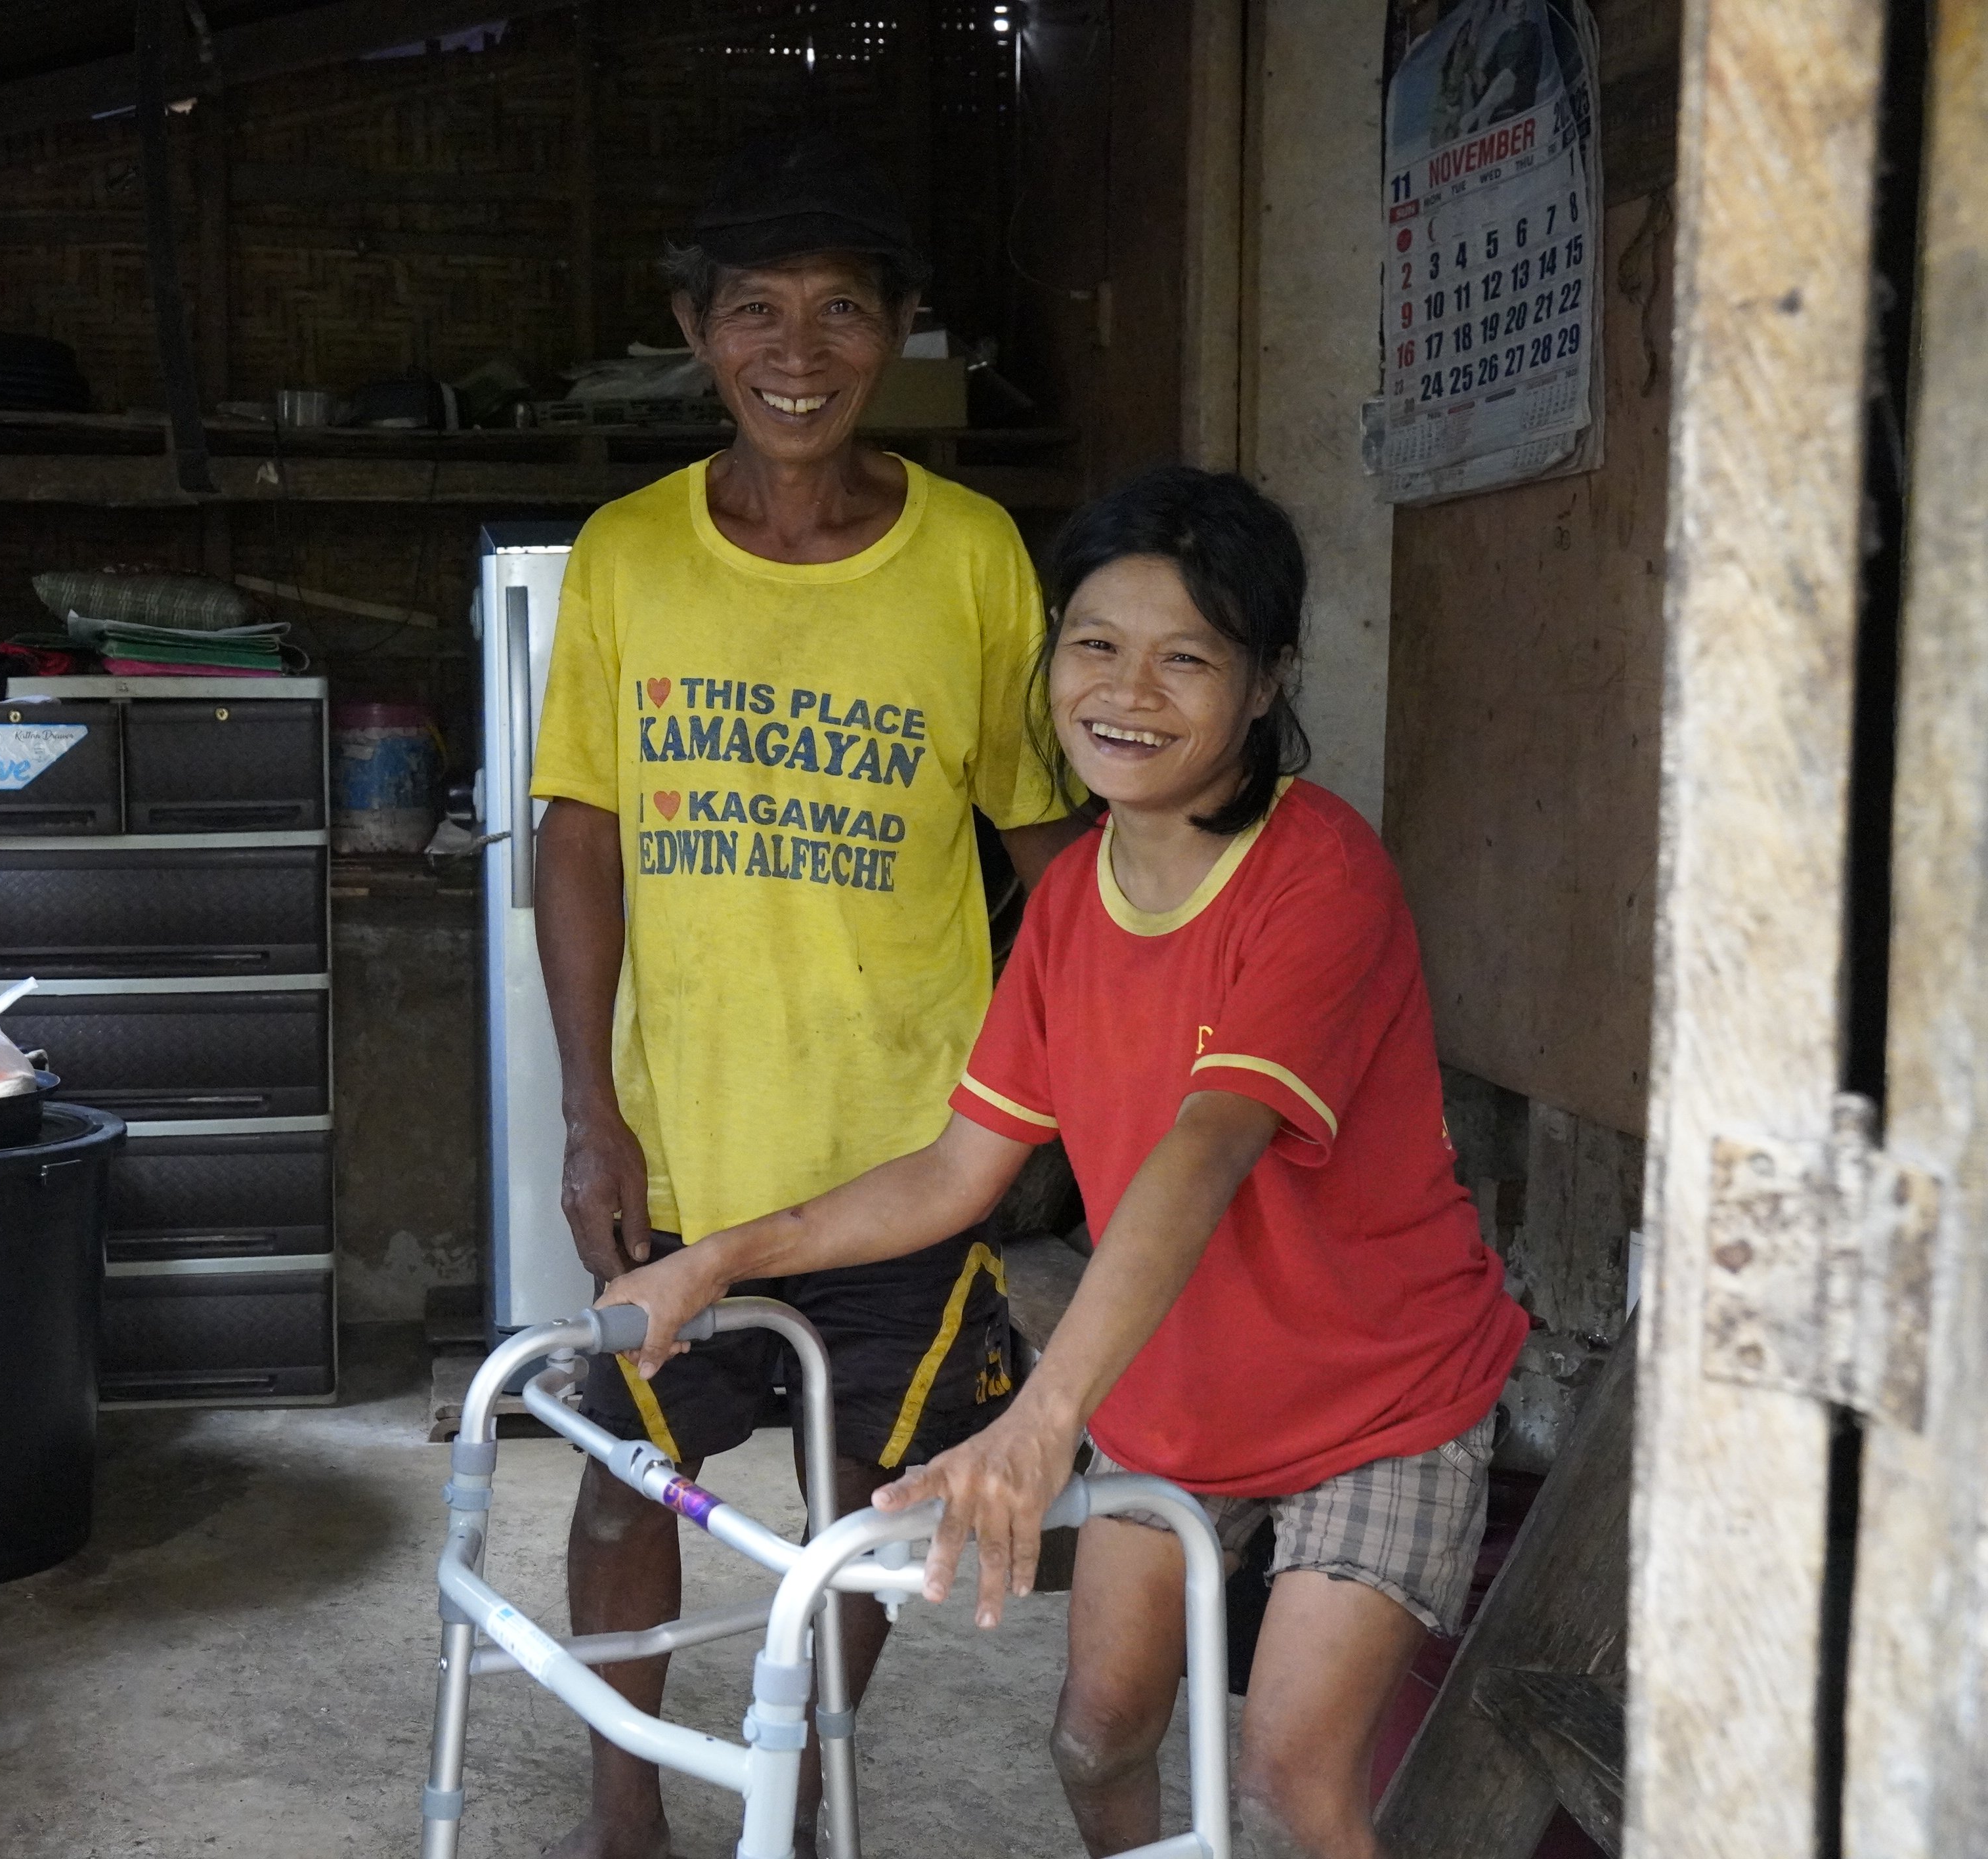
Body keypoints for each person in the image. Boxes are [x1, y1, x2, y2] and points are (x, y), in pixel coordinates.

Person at [598, 466, 1530, 1859]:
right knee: (1095, 1741)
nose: (1127, 693)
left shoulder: (1314, 874)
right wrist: (716, 1261)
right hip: (1176, 1395)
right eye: (1095, 645)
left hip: (1375, 1393)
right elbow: (953, 1173)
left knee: (1289, 1771)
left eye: (1185, 659)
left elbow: (1205, 1148)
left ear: (1265, 683)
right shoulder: (1067, 907)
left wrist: (1040, 1417)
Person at [527, 131, 1089, 1859]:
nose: (798, 352)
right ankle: (632, 1815)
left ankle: (802, 1778)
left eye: (844, 312)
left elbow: (1048, 851)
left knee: (865, 1518)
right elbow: (577, 837)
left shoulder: (976, 556)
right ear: (696, 331)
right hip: (684, 1158)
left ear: (903, 332)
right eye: (756, 312)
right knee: (631, 1495)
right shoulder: (627, 555)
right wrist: (589, 1112)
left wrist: (1092, 1095)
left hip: (908, 1160)